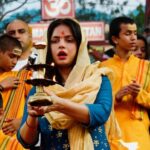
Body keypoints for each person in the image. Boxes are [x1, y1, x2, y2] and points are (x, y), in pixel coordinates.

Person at [17, 18, 112, 150]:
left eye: (69, 40)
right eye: (55, 41)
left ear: (80, 45)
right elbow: (26, 141)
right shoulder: (40, 88)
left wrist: (59, 104)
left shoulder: (97, 79)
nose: (61, 45)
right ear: (48, 47)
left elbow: (100, 114)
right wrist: (32, 118)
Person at [100, 16, 150, 150]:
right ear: (115, 39)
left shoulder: (146, 66)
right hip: (111, 133)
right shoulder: (101, 68)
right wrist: (116, 97)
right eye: (128, 33)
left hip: (138, 133)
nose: (134, 37)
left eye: (134, 33)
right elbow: (95, 103)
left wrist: (139, 94)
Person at [0, 34, 32, 149]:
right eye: (11, 56)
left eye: (17, 58)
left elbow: (39, 104)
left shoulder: (21, 77)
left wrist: (23, 121)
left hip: (16, 143)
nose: (14, 62)